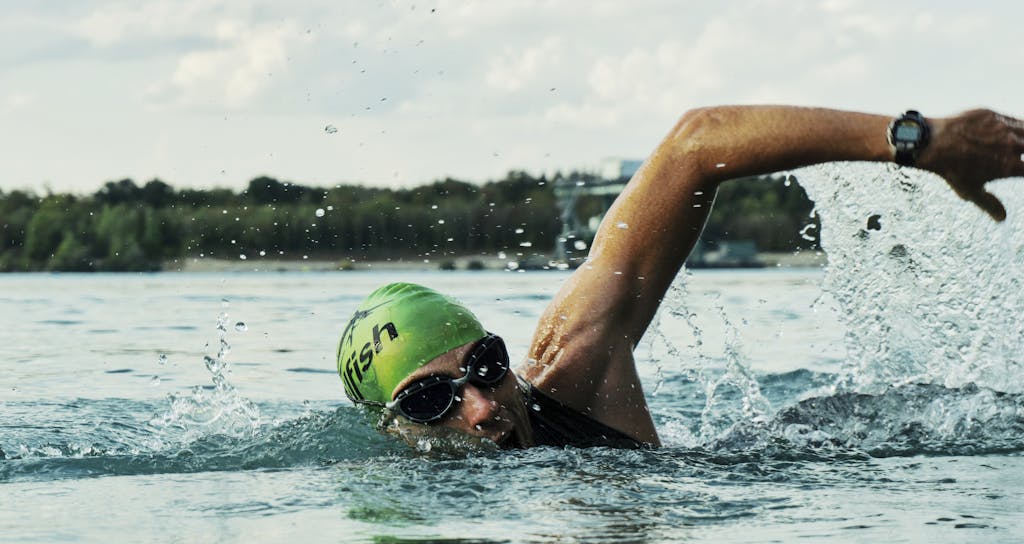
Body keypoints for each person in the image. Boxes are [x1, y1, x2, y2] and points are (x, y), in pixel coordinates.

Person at [337, 105, 1024, 450]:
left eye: (485, 366)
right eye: (431, 401)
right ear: (393, 429)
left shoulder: (573, 365)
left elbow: (695, 143)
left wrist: (919, 142)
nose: (482, 408)